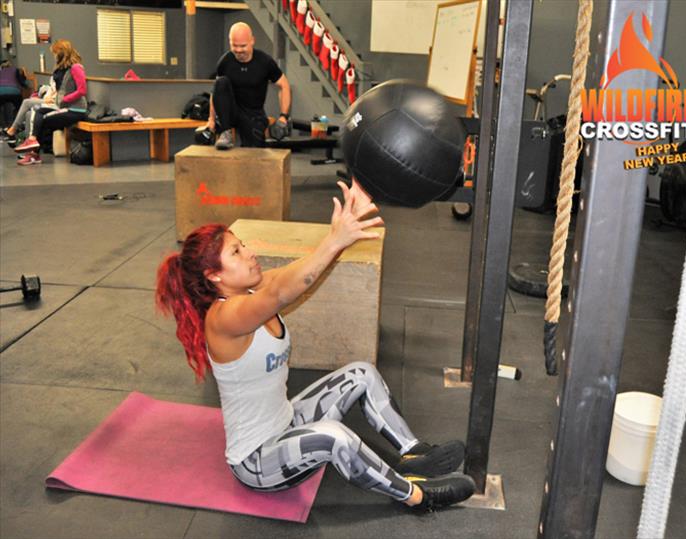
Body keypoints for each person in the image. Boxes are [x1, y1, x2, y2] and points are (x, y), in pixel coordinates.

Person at [155, 181, 477, 512]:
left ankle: (413, 454)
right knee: (333, 435)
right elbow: (281, 293)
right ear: (214, 275)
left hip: (287, 421)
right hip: (257, 460)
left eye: (243, 245)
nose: (249, 253)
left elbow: (295, 274)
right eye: (236, 252)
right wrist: (335, 239)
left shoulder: (252, 289)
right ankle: (417, 497)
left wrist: (342, 231)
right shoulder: (224, 318)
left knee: (361, 373)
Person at [205, 22, 291, 150]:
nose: (239, 50)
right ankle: (225, 132)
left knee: (255, 152)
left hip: (253, 114)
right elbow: (216, 92)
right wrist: (211, 120)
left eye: (243, 46)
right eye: (234, 45)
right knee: (220, 82)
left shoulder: (265, 61)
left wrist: (283, 117)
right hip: (231, 113)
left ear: (252, 41)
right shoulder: (225, 61)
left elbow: (284, 85)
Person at [13, 40, 87, 166]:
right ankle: (32, 142)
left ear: (62, 53)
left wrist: (65, 99)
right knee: (38, 111)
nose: (54, 56)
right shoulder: (61, 69)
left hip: (75, 110)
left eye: (55, 53)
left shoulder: (76, 68)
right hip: (63, 107)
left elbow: (82, 90)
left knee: (44, 119)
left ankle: (33, 154)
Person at [0, 60, 30, 128]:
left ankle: (3, 126)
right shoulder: (15, 70)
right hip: (14, 92)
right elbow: (21, 81)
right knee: (19, 107)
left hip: (1, 93)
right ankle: (20, 124)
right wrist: (26, 86)